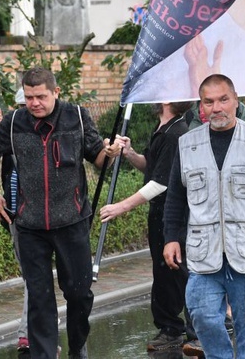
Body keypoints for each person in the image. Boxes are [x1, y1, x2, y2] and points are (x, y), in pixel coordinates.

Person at [0, 67, 125, 359]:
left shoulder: (78, 118)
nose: (34, 103)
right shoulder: (14, 122)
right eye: (29, 97)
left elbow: (97, 158)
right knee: (40, 299)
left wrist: (108, 153)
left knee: (79, 295)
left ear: (55, 92)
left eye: (41, 96)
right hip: (30, 226)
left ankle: (77, 347)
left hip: (72, 222)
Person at [162, 74, 245, 359]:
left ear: (235, 101)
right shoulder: (187, 144)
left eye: (223, 100)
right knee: (202, 316)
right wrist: (171, 237)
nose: (216, 107)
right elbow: (175, 197)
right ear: (201, 107)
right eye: (209, 102)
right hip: (203, 252)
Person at [98, 101, 196, 353]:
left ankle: (195, 331)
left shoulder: (177, 133)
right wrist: (130, 154)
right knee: (163, 272)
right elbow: (152, 169)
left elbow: (161, 184)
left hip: (174, 213)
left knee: (179, 271)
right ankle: (170, 328)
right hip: (158, 213)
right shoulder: (163, 127)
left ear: (166, 100)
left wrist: (122, 206)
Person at [0, 88, 30, 352]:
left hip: (43, 218)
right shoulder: (11, 129)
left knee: (35, 277)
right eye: (21, 107)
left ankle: (31, 331)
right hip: (16, 217)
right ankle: (34, 330)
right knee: (32, 276)